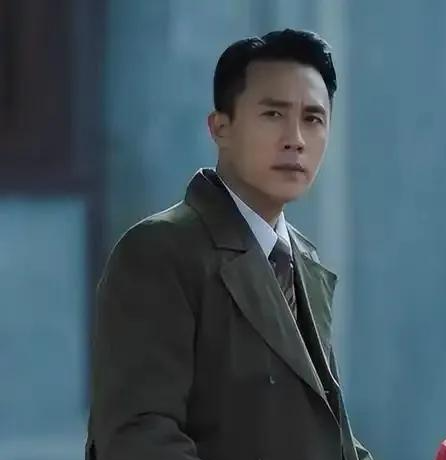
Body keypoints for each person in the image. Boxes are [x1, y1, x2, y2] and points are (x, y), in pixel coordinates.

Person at [86, 29, 373, 460]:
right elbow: (140, 438)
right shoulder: (159, 251)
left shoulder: (303, 260)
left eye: (313, 118)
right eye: (273, 114)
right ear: (221, 127)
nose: (295, 138)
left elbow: (327, 437)